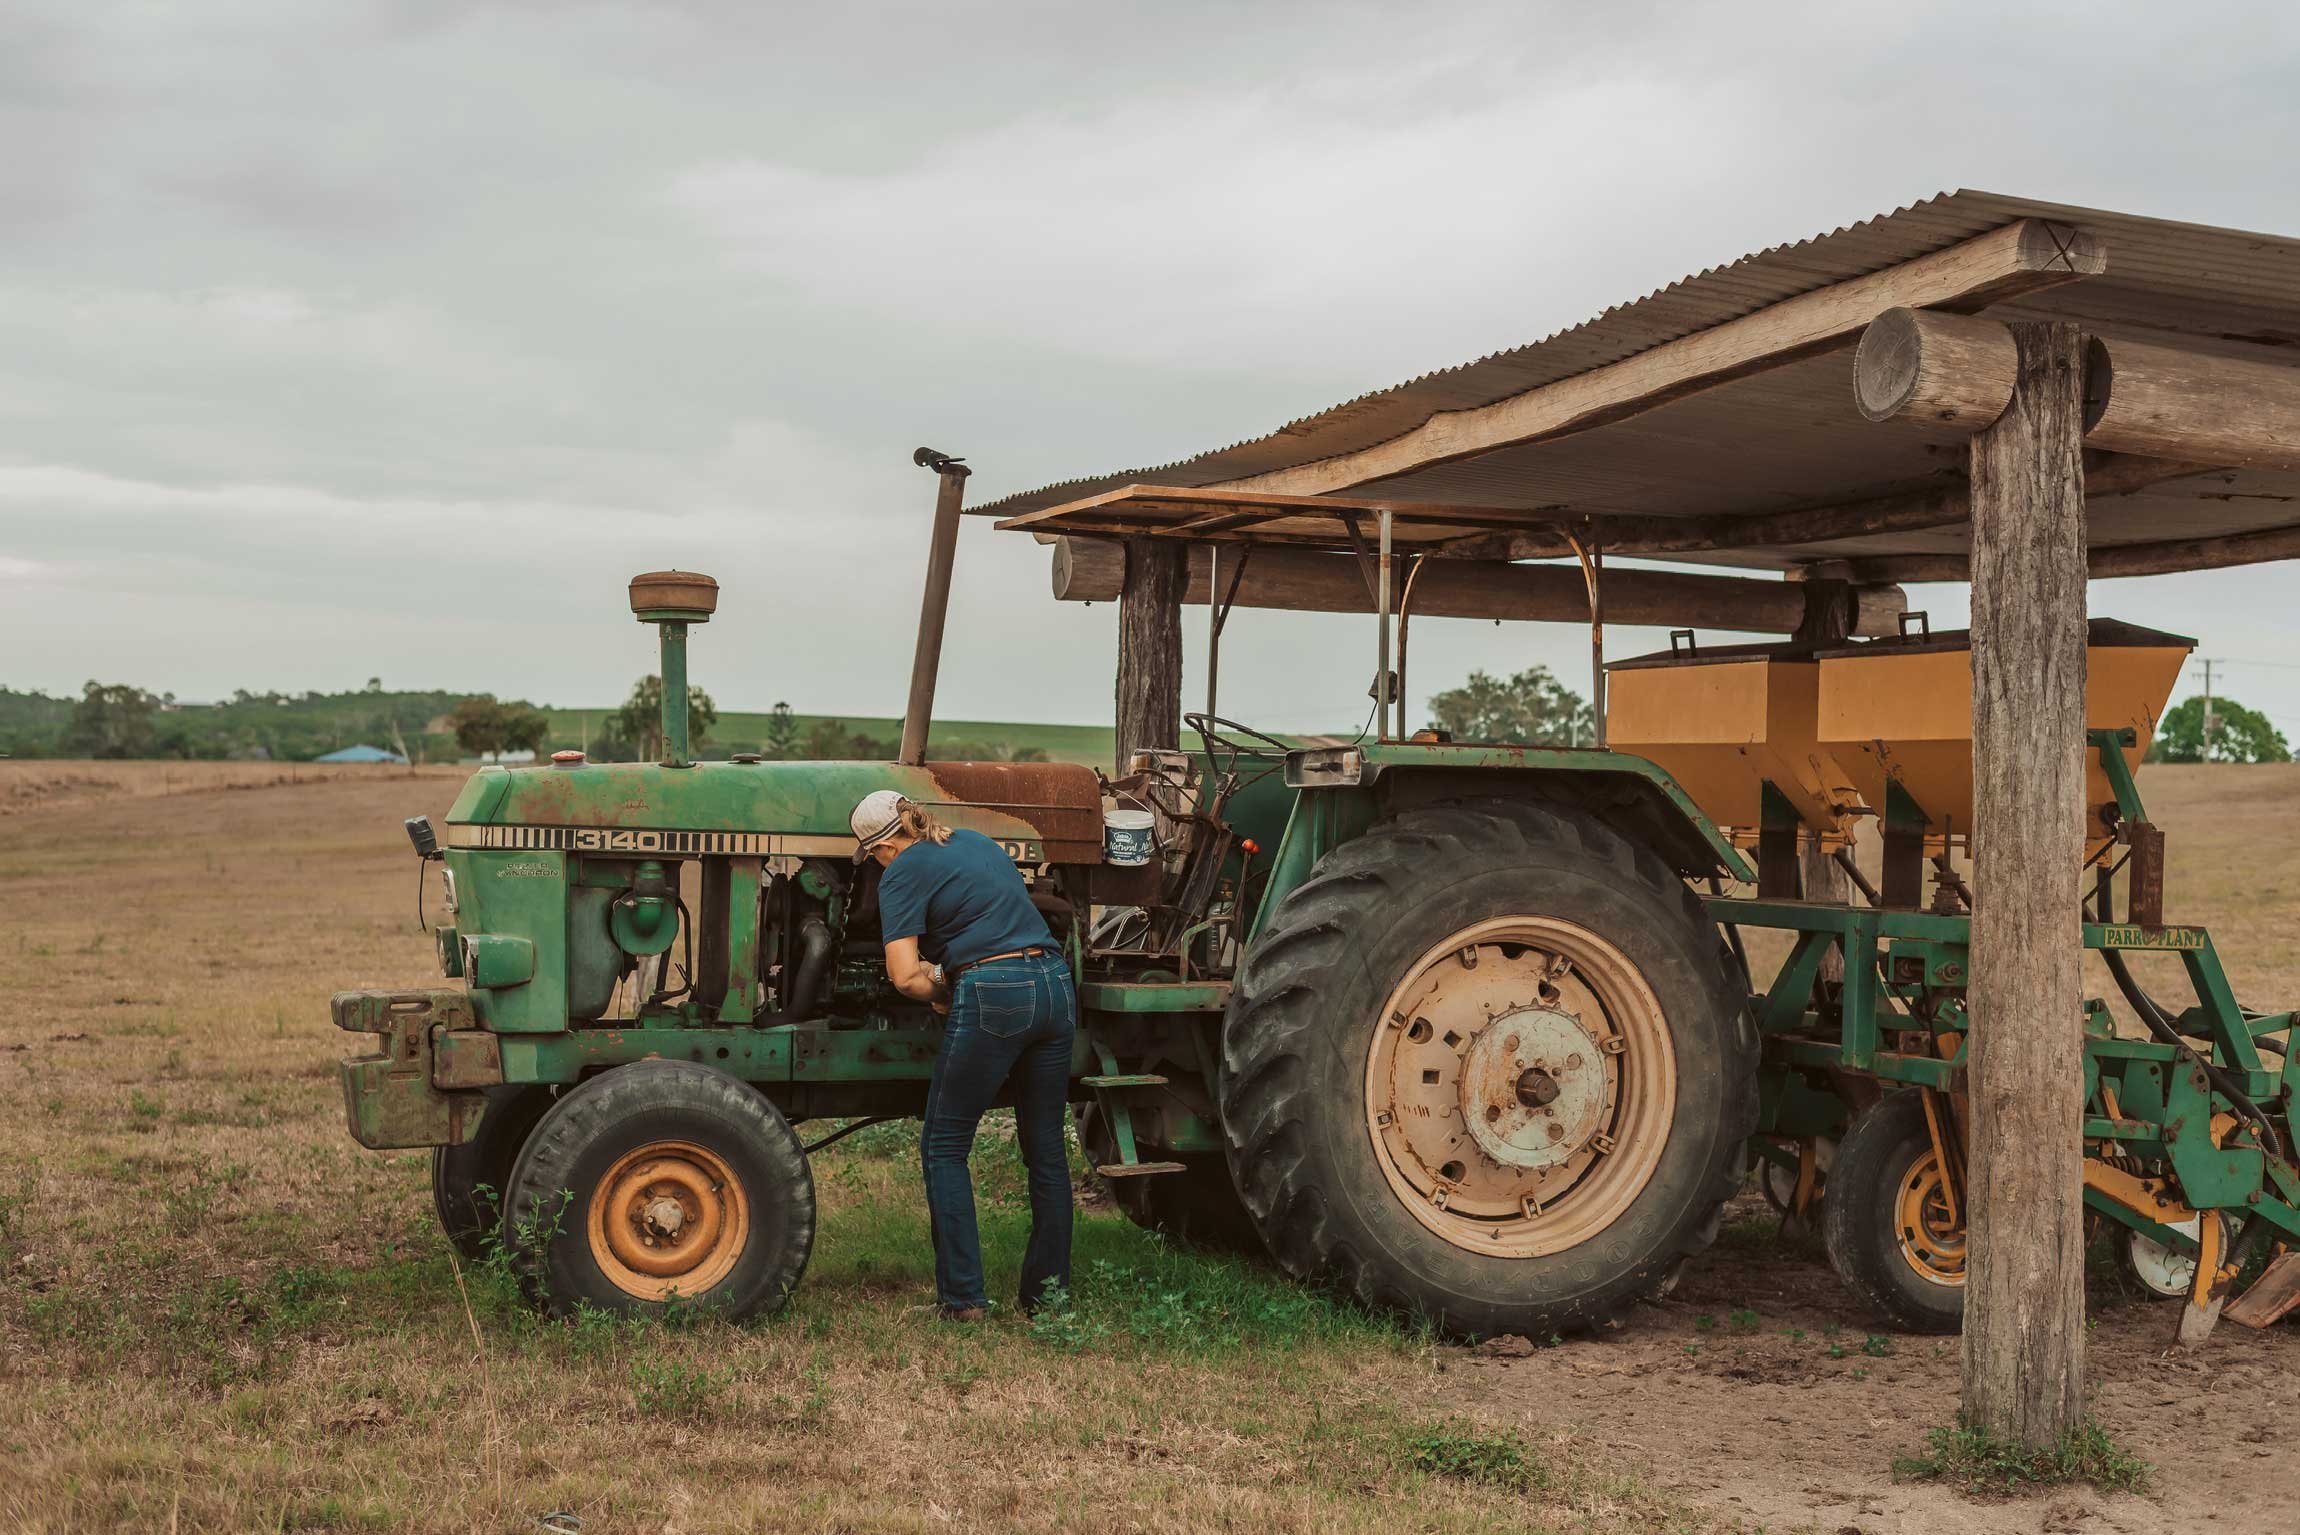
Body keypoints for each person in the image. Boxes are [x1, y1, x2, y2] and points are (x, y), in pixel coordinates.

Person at [851, 789, 1076, 1322]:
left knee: (945, 1146)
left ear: (883, 845)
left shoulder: (901, 871)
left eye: (874, 855)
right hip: (1054, 984)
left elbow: (905, 977)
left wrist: (944, 989)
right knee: (1045, 1152)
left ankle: (963, 1300)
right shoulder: (976, 841)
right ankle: (1048, 1298)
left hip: (995, 993)